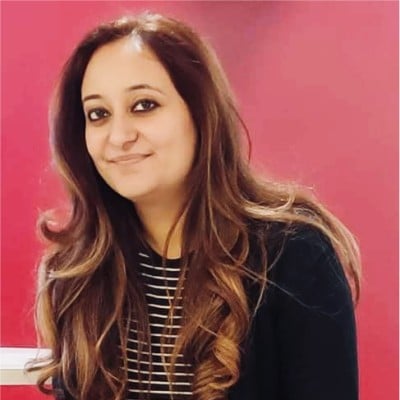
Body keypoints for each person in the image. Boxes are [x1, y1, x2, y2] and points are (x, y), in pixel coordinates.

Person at [27, 11, 361, 400]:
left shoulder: (295, 256)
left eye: (144, 105)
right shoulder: (79, 273)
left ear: (201, 114)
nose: (118, 136)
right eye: (98, 114)